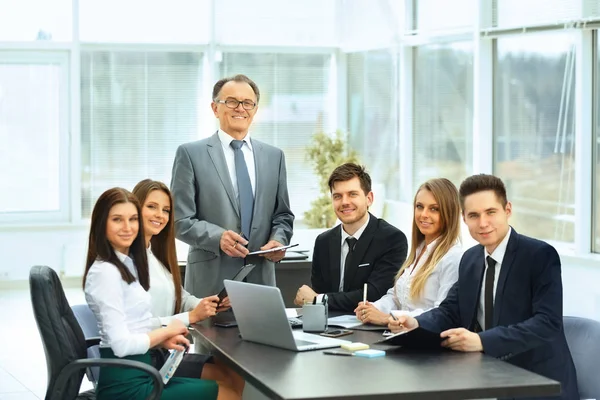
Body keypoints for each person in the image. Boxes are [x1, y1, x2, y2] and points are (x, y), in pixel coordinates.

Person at [387, 174, 578, 400]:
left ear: (507, 210)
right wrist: (417, 323)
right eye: (474, 215)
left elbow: (547, 323)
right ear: (464, 219)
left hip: (538, 384)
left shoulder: (539, 256)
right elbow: (451, 310)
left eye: (491, 212)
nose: (483, 223)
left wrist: (481, 341)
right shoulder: (471, 259)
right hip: (486, 377)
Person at [83, 187, 239, 400]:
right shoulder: (106, 272)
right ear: (102, 224)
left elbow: (136, 323)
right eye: (117, 220)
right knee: (227, 394)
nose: (128, 228)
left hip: (143, 373)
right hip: (127, 387)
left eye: (133, 219)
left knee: (229, 389)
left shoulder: (125, 265)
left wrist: (162, 339)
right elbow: (121, 345)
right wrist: (165, 332)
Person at [171, 74, 294, 298]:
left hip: (261, 281)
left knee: (262, 334)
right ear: (215, 108)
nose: (240, 108)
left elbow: (283, 215)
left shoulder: (274, 157)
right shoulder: (190, 154)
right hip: (210, 283)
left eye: (248, 103)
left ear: (255, 110)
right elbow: (179, 220)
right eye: (231, 101)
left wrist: (279, 240)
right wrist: (218, 237)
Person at [132, 179, 244, 395]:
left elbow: (180, 296)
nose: (160, 215)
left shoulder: (153, 256)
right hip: (149, 358)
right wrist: (191, 316)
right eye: (151, 207)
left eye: (165, 210)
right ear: (134, 206)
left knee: (234, 374)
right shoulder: (129, 261)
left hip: (164, 355)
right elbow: (139, 324)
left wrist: (207, 304)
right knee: (228, 391)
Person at [294, 163, 408, 312]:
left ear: (369, 198)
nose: (345, 202)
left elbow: (373, 295)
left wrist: (319, 300)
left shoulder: (392, 239)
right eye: (337, 196)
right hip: (326, 325)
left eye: (352, 194)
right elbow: (318, 292)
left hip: (368, 327)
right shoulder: (323, 241)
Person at [354, 178, 462, 325]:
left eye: (434, 209)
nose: (423, 214)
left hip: (427, 342)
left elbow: (442, 314)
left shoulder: (453, 257)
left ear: (449, 213)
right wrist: (373, 308)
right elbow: (396, 297)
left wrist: (388, 318)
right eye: (419, 206)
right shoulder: (419, 250)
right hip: (401, 336)